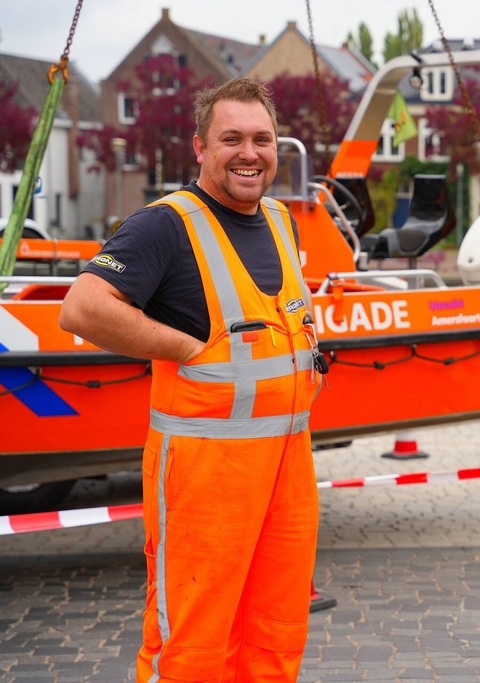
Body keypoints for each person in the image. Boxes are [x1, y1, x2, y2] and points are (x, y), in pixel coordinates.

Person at [59, 77, 324, 683]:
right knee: (191, 643)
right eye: (231, 139)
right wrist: (186, 347)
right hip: (206, 478)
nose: (249, 153)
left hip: (286, 470)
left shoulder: (281, 222)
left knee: (275, 630)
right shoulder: (167, 225)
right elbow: (83, 307)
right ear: (200, 147)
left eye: (262, 138)